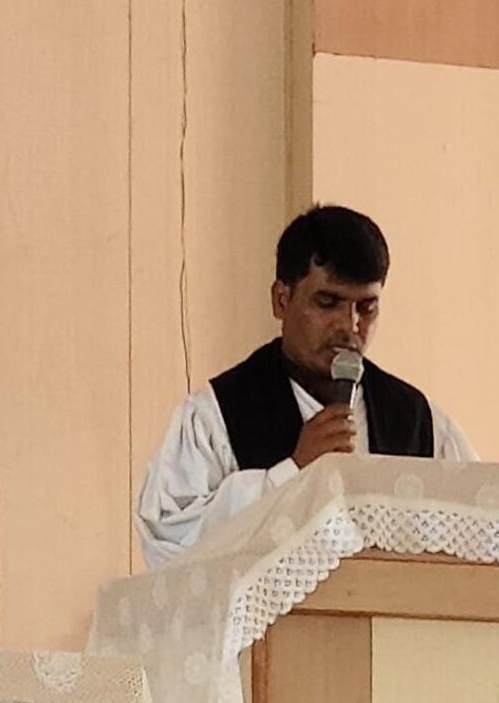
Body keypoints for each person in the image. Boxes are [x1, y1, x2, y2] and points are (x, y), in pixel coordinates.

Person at [136, 205, 477, 567]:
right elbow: (169, 543)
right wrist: (292, 472)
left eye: (367, 308)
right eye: (328, 303)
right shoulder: (215, 415)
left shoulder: (419, 422)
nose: (349, 326)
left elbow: (476, 532)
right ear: (281, 300)